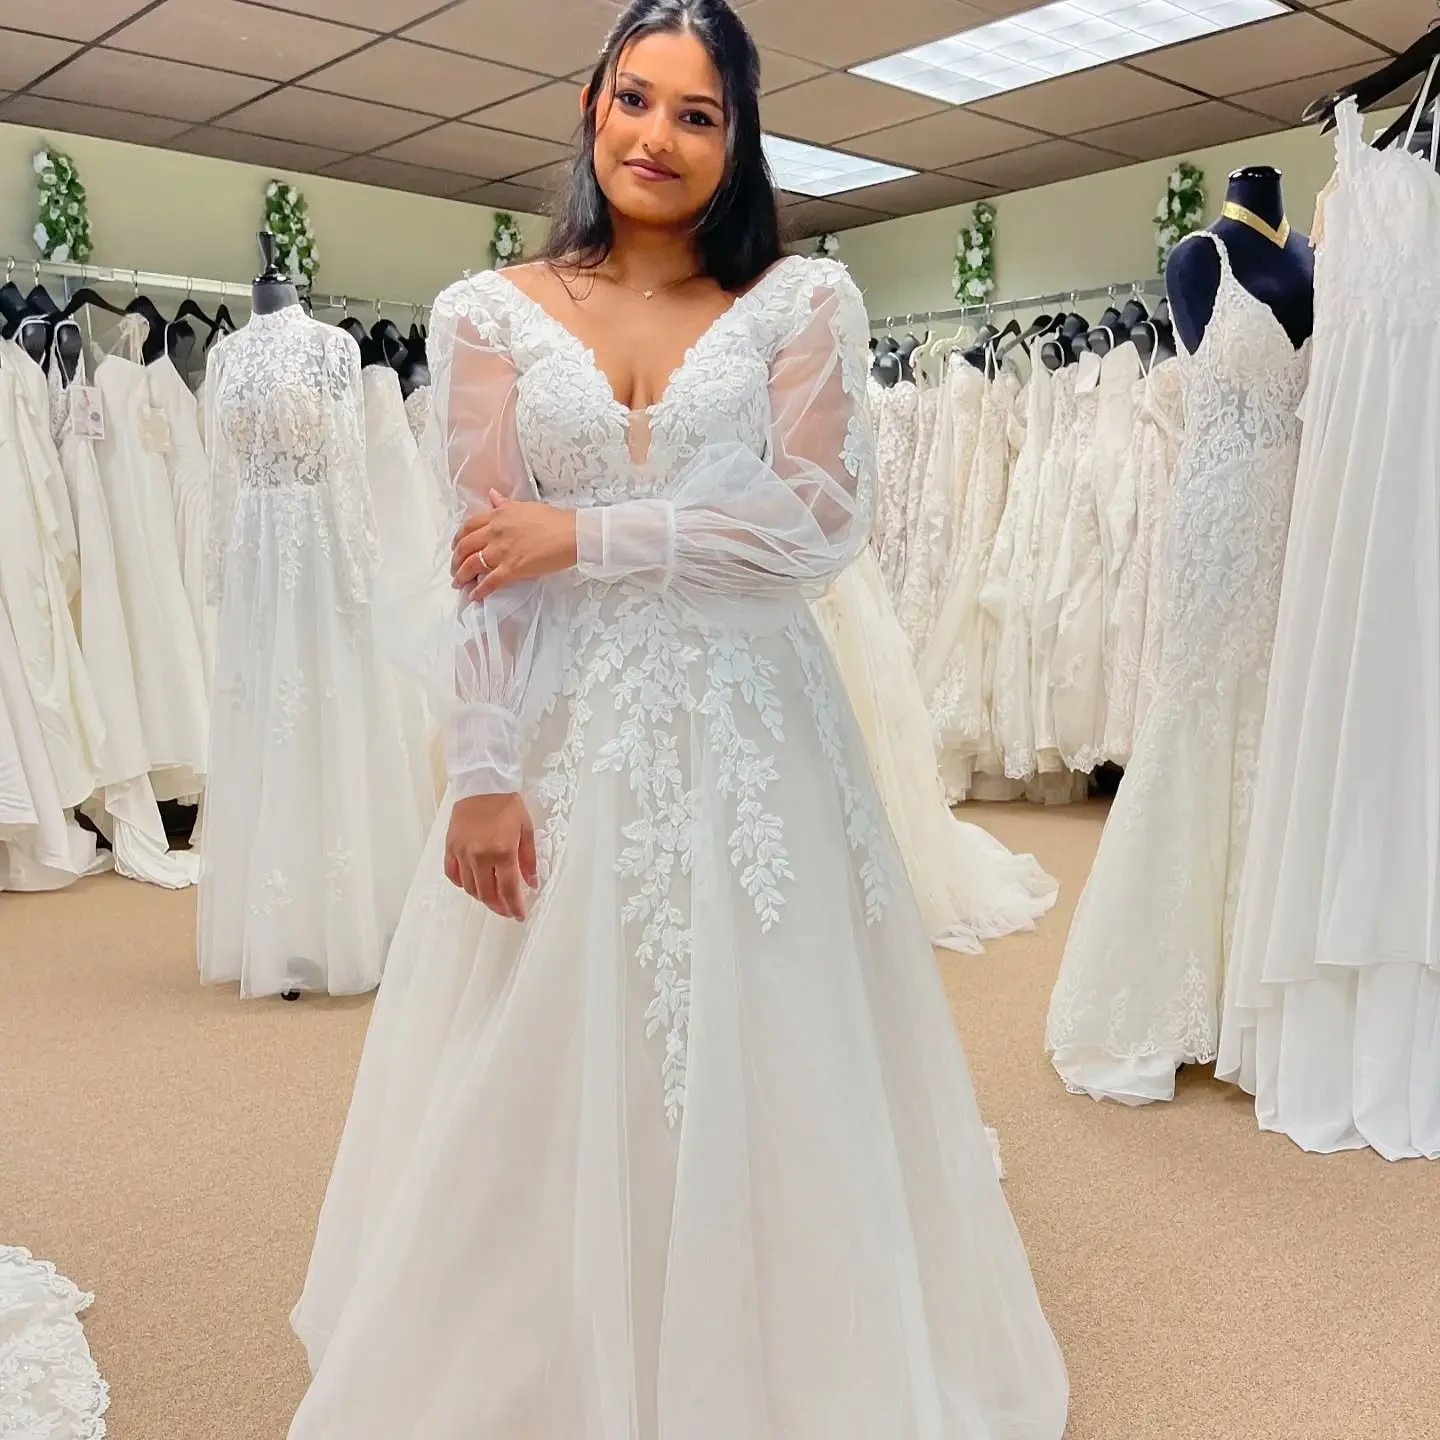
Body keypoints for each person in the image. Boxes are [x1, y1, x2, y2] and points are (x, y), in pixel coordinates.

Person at [287, 3, 1068, 1435]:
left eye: (697, 116)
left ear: (736, 139)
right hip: (567, 730)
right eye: (637, 101)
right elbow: (481, 562)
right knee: (538, 1054)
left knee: (776, 1042)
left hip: (758, 728)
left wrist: (584, 534)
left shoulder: (800, 302)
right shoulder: (487, 313)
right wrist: (479, 767)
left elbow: (813, 528)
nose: (658, 137)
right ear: (592, 104)